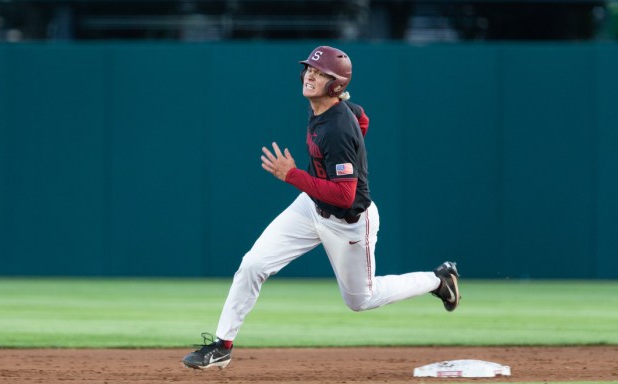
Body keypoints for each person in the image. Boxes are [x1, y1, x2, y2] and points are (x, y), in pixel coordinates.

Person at [182, 46, 461, 370]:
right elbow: (362, 116)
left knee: (360, 300)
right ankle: (222, 346)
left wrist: (293, 175)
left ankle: (438, 280)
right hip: (311, 207)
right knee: (252, 265)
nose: (310, 75)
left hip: (349, 222)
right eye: (309, 70)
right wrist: (352, 139)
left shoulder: (337, 129)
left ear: (336, 84)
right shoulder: (331, 111)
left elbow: (344, 196)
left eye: (320, 73)